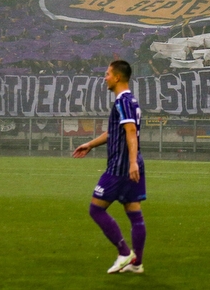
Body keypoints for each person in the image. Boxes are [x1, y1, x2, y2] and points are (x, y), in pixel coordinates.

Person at [72, 60, 147, 274]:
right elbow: (116, 132)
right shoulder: (130, 101)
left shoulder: (122, 101)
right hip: (132, 164)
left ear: (117, 77)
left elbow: (131, 131)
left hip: (120, 166)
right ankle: (137, 263)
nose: (104, 78)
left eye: (107, 74)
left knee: (96, 209)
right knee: (134, 213)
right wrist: (90, 144)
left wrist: (131, 162)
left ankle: (124, 253)